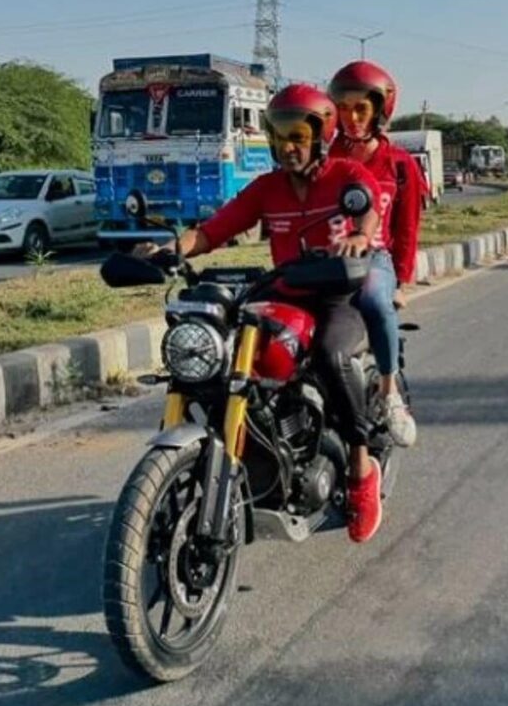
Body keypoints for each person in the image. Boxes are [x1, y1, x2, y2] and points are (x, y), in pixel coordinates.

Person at [135, 84, 386, 543]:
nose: (288, 146)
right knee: (232, 358)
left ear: (319, 135)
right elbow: (213, 231)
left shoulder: (345, 174)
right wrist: (170, 250)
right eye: (279, 134)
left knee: (332, 355)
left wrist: (361, 237)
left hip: (335, 295)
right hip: (285, 293)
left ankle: (360, 467)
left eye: (297, 135)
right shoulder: (266, 188)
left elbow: (368, 209)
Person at [327, 60, 420, 448]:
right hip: (327, 261)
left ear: (381, 109)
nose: (351, 118)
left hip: (374, 259)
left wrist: (402, 281)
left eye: (361, 108)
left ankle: (389, 393)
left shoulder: (400, 165)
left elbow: (407, 227)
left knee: (375, 302)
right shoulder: (324, 159)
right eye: (342, 109)